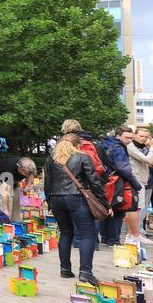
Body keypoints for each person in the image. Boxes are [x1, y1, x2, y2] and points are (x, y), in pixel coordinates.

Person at [44, 120, 105, 284]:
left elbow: (47, 184)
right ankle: (85, 271)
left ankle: (65, 269)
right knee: (87, 235)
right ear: (78, 145)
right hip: (76, 198)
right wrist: (104, 203)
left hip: (56, 199)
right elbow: (95, 182)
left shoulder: (51, 160)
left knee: (65, 233)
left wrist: (49, 203)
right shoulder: (82, 157)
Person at [97, 126, 141, 248]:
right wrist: (136, 184)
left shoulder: (103, 144)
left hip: (103, 180)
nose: (129, 140)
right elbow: (123, 168)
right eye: (127, 137)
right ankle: (114, 240)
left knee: (106, 209)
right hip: (116, 182)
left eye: (131, 138)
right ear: (118, 136)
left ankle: (105, 238)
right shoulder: (119, 148)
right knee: (118, 210)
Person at [126, 127, 153, 245]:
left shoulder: (140, 147)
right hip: (136, 180)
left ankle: (131, 235)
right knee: (135, 208)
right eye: (141, 136)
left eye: (146, 137)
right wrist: (152, 147)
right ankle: (134, 234)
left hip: (141, 180)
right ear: (134, 135)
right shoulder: (131, 147)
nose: (143, 139)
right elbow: (148, 160)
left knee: (135, 208)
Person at [0, 154, 38, 222]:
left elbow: (30, 175)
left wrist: (27, 186)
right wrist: (6, 209)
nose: (27, 175)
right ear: (19, 168)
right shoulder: (8, 171)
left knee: (17, 198)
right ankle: (4, 222)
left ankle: (15, 221)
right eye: (26, 173)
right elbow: (6, 194)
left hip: (14, 179)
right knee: (8, 199)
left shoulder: (28, 168)